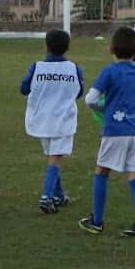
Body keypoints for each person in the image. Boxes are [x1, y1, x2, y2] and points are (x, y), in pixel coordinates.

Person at [79, 27, 135, 237]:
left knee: (102, 171)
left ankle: (96, 221)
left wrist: (107, 109)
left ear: (111, 48)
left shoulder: (109, 72)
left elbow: (90, 100)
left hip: (115, 131)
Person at [21, 29, 84, 214]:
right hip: (63, 121)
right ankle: (47, 197)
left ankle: (58, 196)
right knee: (55, 159)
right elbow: (79, 92)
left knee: (52, 157)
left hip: (40, 120)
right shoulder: (74, 68)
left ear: (46, 47)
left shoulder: (36, 67)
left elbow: (24, 89)